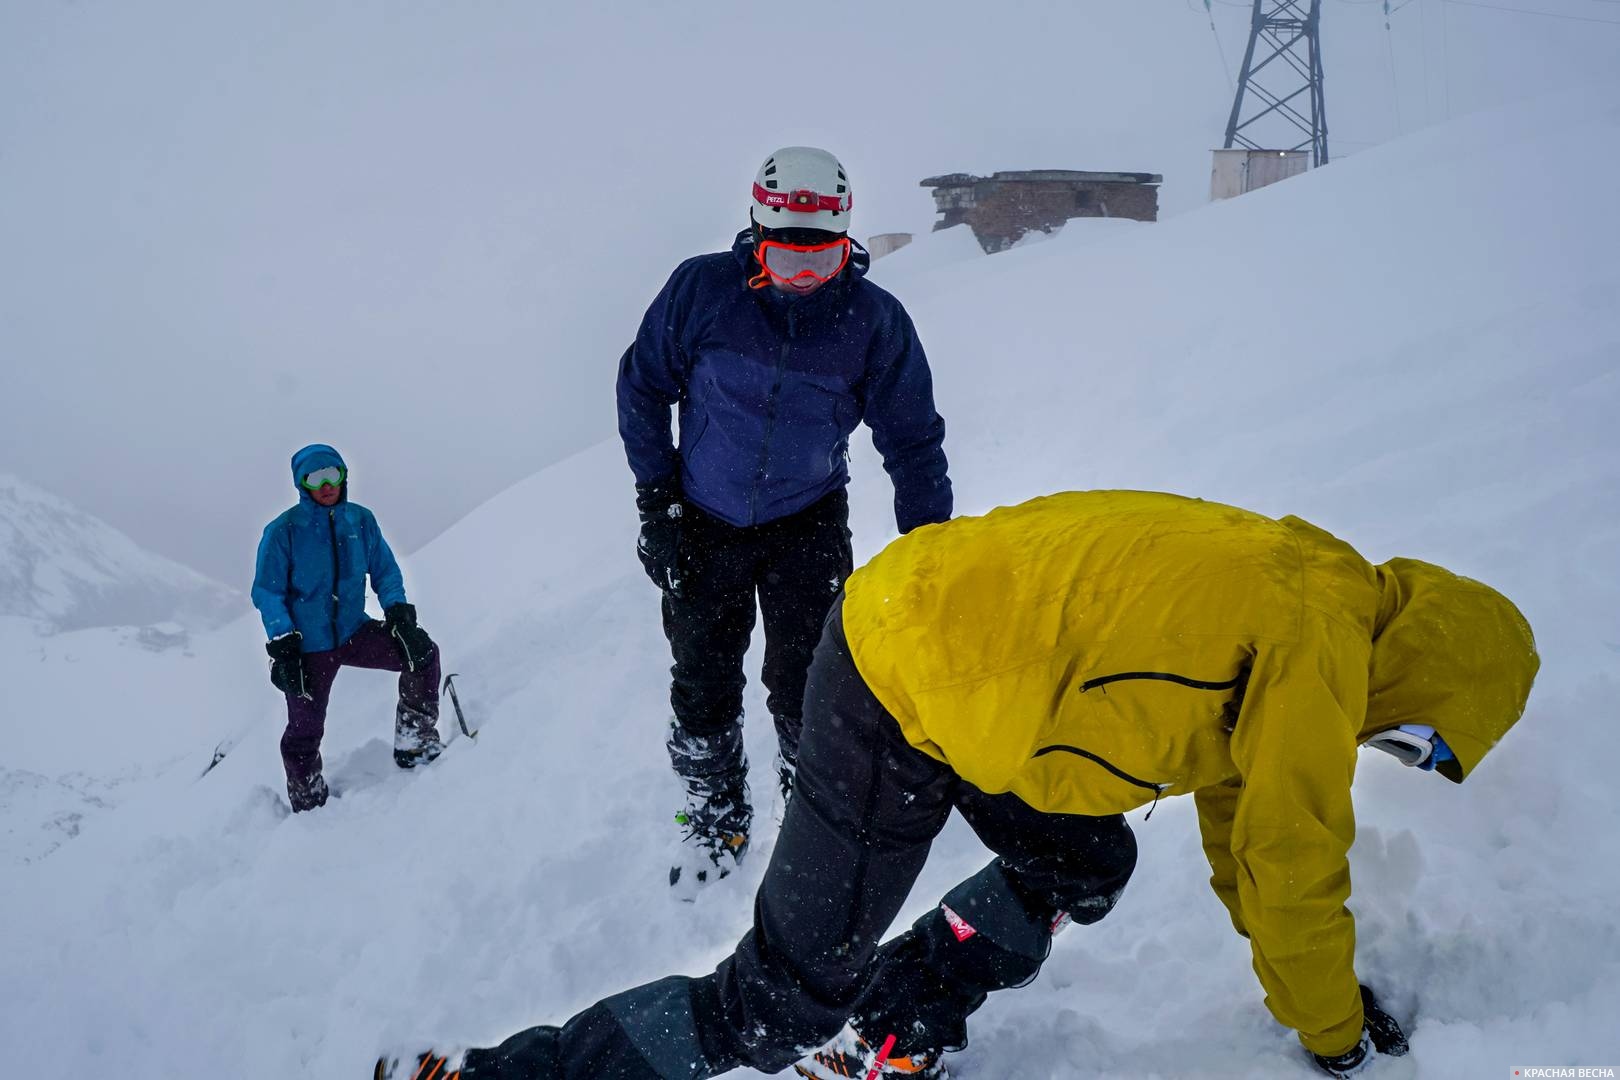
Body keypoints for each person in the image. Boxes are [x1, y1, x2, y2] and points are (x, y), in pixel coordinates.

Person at [378, 490, 1539, 1080]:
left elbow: (1248, 833)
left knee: (1086, 855)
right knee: (775, 999)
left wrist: (1305, 997)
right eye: (1421, 743)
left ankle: (897, 1022)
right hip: (903, 688)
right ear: (1435, 680)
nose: (1396, 754)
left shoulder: (1317, 587)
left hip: (938, 635)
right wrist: (1334, 1040)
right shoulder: (1324, 650)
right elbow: (1293, 865)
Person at [616, 146, 952, 891]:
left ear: (847, 243)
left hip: (808, 519)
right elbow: (642, 388)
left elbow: (912, 435)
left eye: (822, 262)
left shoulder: (872, 321)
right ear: (755, 233)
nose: (803, 280)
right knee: (701, 674)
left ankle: (814, 813)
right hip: (704, 517)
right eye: (786, 259)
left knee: (811, 678)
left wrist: (928, 544)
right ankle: (714, 811)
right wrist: (658, 501)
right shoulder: (704, 293)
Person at [251, 443, 442, 812]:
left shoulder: (361, 521)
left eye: (332, 474)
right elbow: (267, 592)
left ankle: (415, 740)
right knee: (304, 731)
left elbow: (385, 570)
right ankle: (308, 801)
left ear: (344, 476)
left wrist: (399, 612)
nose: (326, 485)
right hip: (309, 647)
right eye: (315, 477)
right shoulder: (282, 532)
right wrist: (283, 643)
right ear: (301, 484)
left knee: (422, 654)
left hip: (355, 632)